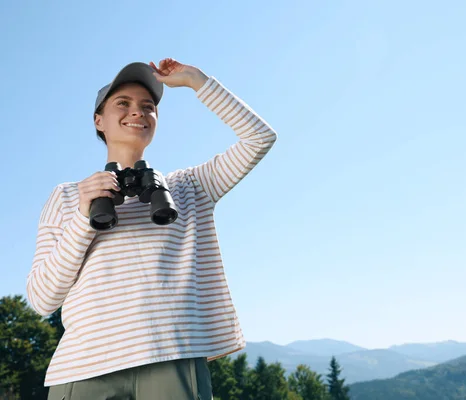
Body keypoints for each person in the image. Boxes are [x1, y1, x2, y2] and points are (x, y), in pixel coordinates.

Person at [27, 58, 278, 399]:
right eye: (123, 103)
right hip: (83, 365)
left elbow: (259, 138)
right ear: (98, 120)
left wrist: (197, 81)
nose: (138, 112)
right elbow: (42, 299)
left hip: (172, 356)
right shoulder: (69, 195)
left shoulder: (189, 186)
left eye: (148, 106)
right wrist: (84, 219)